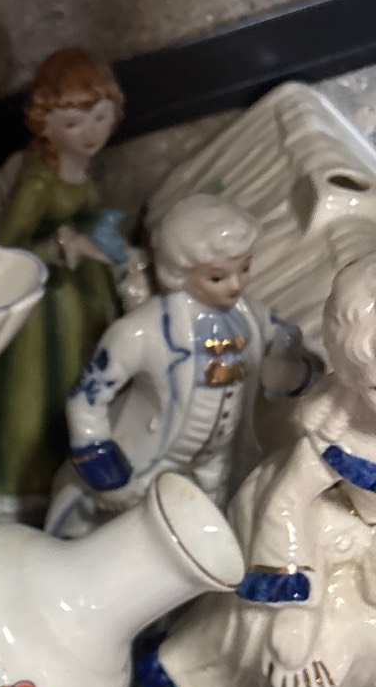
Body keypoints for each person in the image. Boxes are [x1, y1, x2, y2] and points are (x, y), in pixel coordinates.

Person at [148, 254, 376, 687]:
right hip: (315, 538)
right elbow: (286, 501)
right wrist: (296, 606)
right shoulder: (339, 430)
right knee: (303, 652)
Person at [46, 194, 317, 537]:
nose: (236, 285)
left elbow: (294, 345)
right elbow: (87, 400)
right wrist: (107, 471)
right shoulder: (141, 332)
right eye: (217, 277)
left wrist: (292, 367)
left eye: (244, 268)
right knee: (126, 536)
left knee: (205, 535)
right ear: (178, 273)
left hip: (216, 467)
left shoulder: (253, 318)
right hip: (149, 463)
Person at [0, 48, 126, 523]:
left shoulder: (77, 167)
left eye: (101, 118)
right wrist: (66, 245)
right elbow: (10, 249)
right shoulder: (38, 182)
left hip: (81, 293)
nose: (92, 133)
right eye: (74, 123)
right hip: (42, 309)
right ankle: (17, 486)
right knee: (31, 394)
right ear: (46, 125)